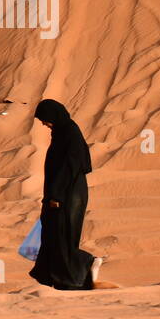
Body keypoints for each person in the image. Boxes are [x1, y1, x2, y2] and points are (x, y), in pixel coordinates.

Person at [29, 99, 104, 289]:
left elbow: (69, 167)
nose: (44, 124)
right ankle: (61, 280)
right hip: (64, 192)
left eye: (45, 120)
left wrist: (56, 196)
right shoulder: (63, 133)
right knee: (53, 235)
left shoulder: (70, 133)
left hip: (68, 194)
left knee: (62, 235)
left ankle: (85, 265)